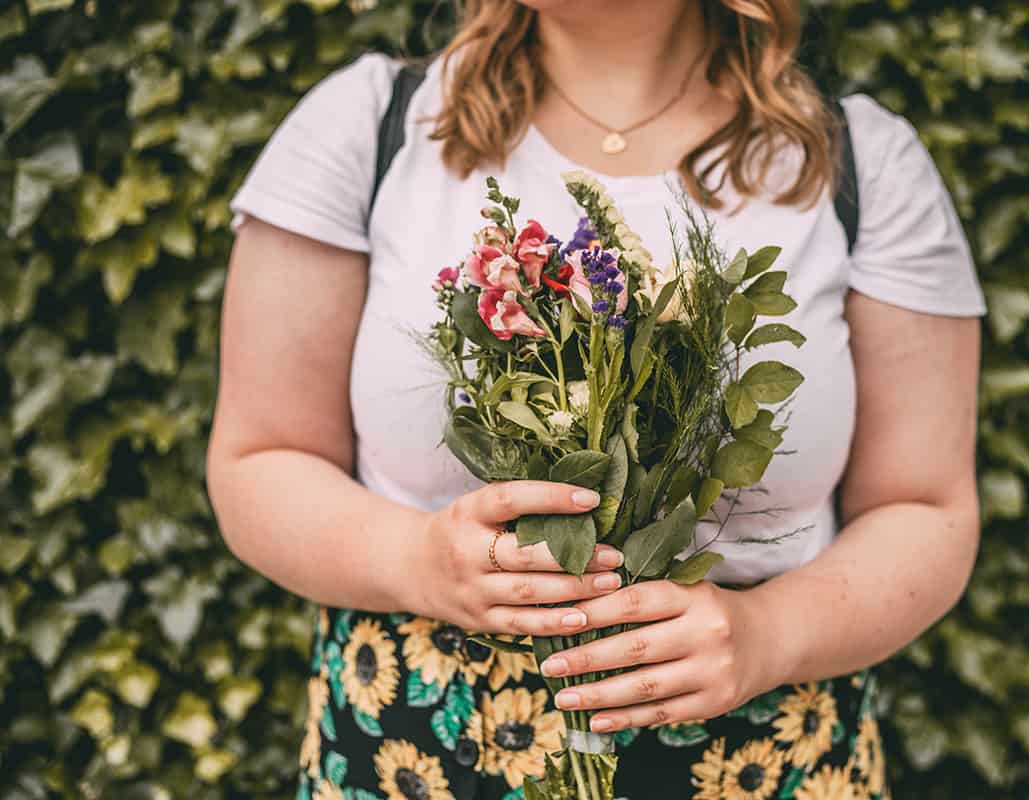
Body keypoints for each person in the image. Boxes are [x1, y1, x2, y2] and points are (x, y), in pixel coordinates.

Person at [205, 1, 985, 798]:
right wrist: (416, 563)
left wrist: (769, 636)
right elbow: (259, 460)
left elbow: (926, 508)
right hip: (418, 747)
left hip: (757, 760)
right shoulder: (371, 126)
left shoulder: (858, 164)